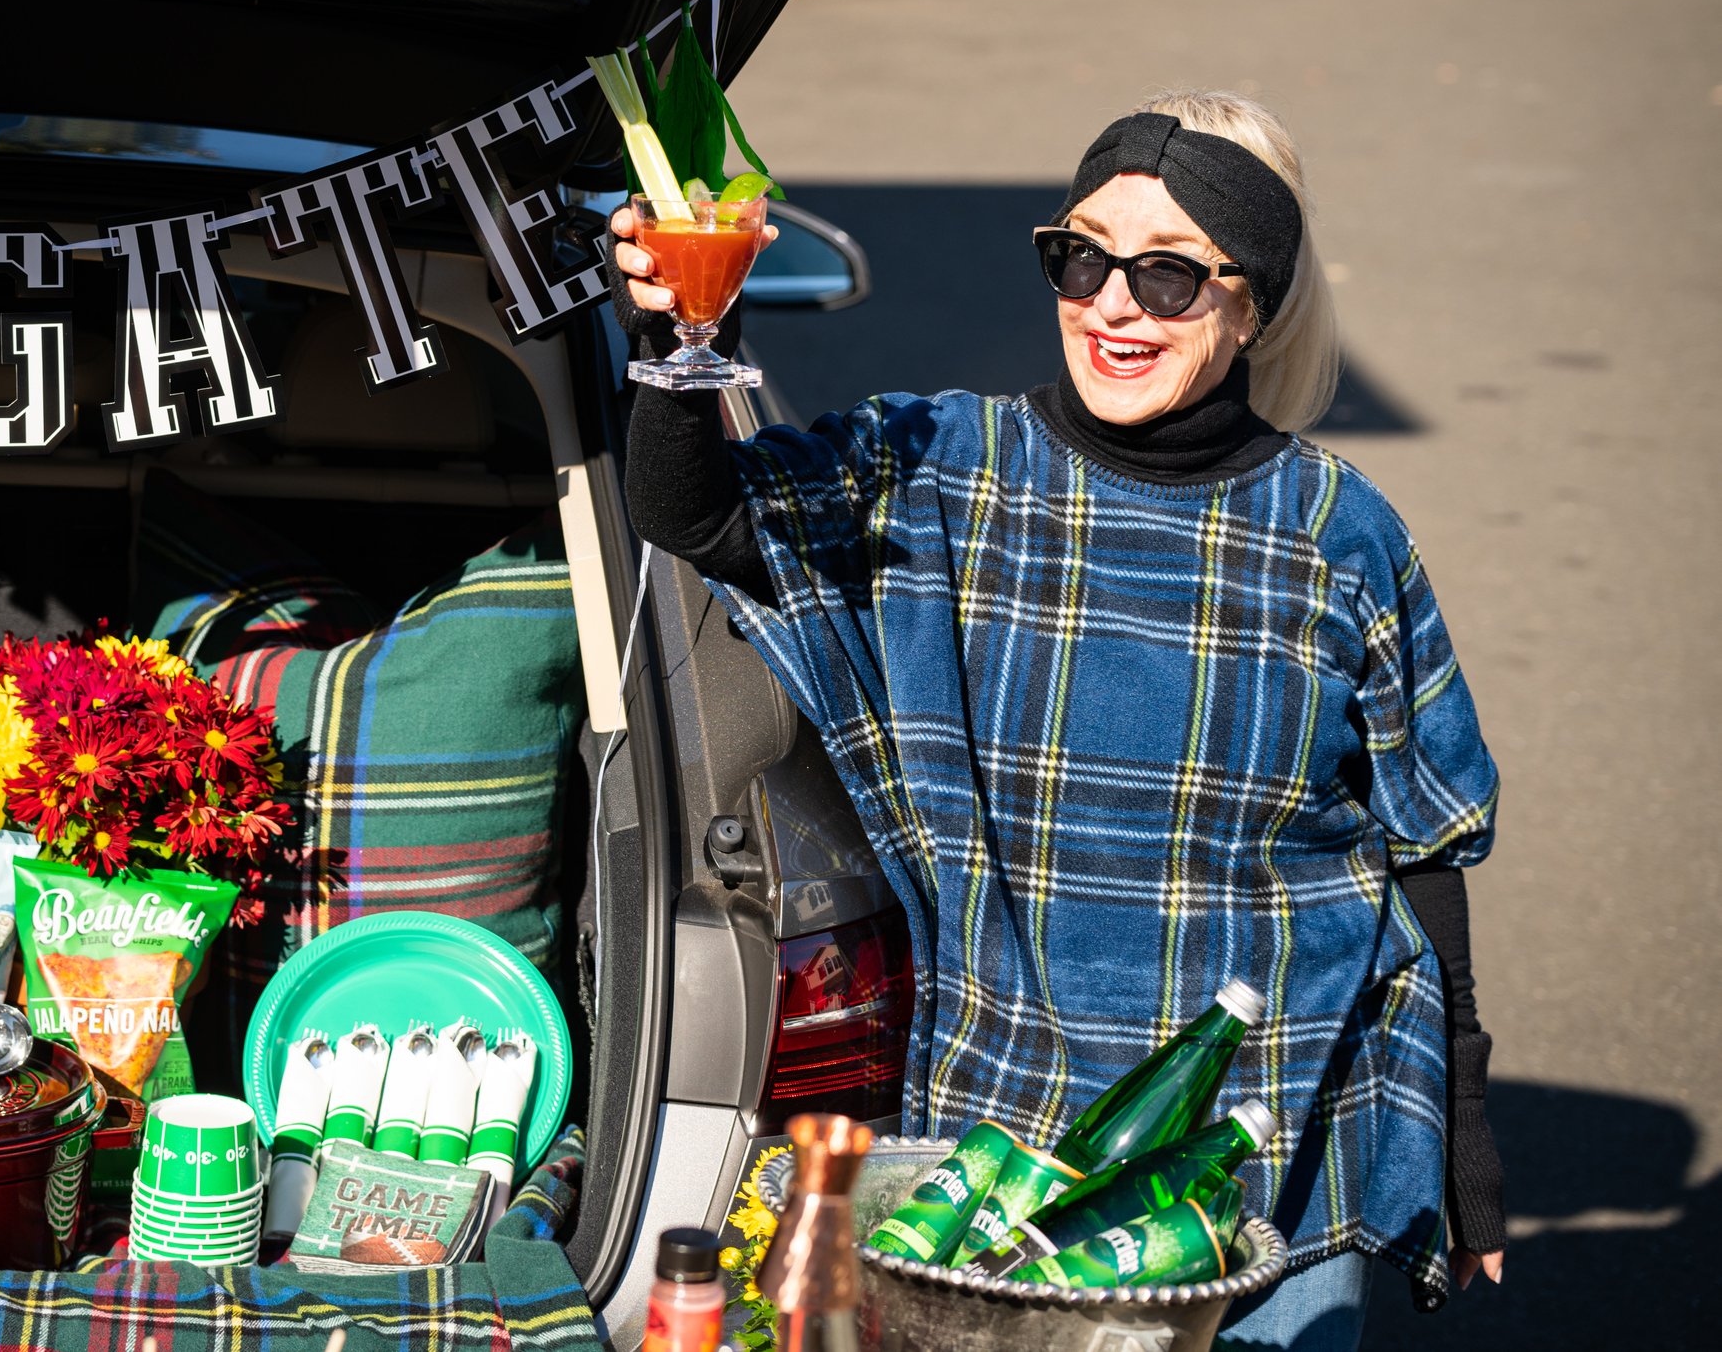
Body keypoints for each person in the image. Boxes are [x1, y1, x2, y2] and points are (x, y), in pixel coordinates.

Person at [613, 93, 1504, 1348]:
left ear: (1252, 304)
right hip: (1004, 1137)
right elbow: (694, 512)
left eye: (1168, 275)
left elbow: (1424, 843)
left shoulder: (1337, 533)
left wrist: (1462, 1139)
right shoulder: (940, 467)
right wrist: (684, 330)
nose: (1113, 302)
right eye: (1080, 256)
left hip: (1273, 1145)